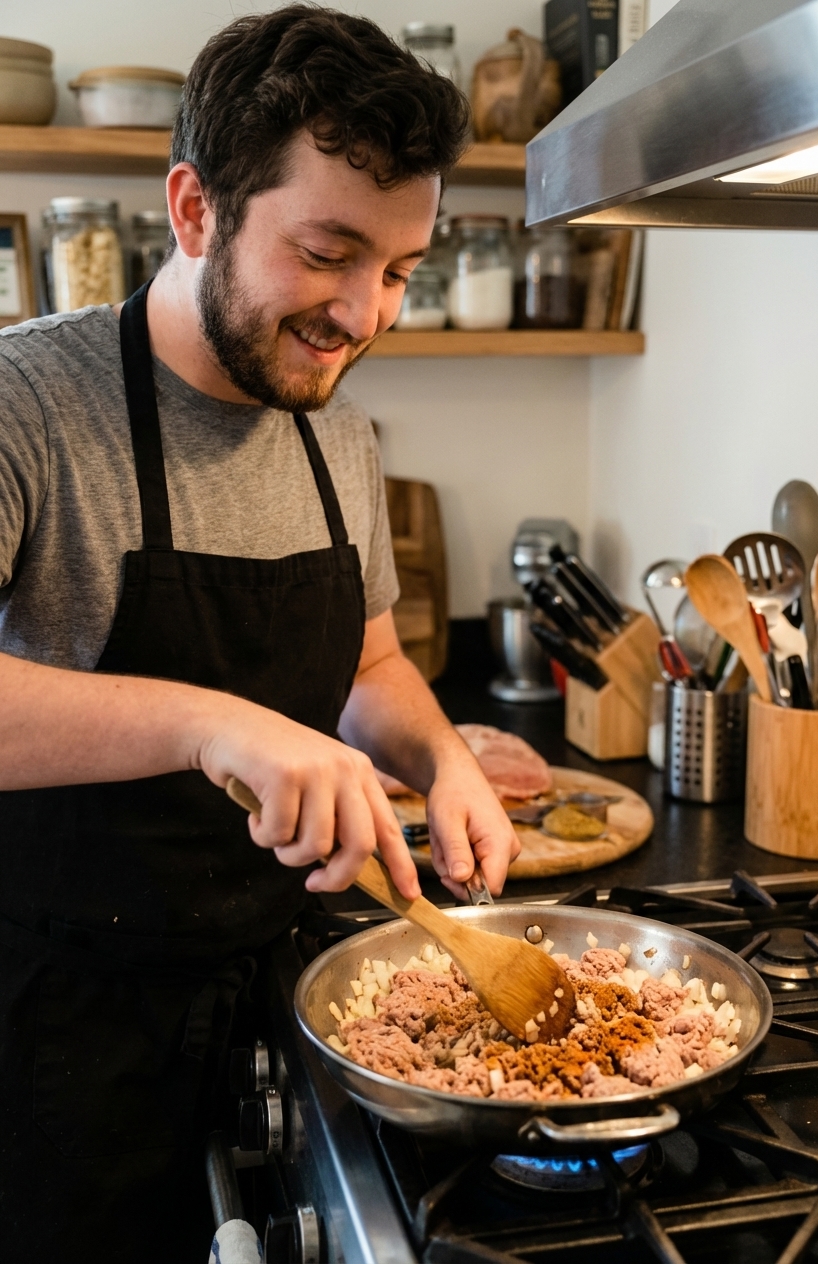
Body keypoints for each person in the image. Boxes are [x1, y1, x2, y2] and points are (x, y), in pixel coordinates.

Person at [0, 5, 520, 1259]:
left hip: (284, 995)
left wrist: (442, 758)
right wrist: (212, 724)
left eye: (398, 270)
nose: (365, 313)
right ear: (196, 209)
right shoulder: (28, 401)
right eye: (329, 253)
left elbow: (371, 664)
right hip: (63, 1032)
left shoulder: (338, 428)